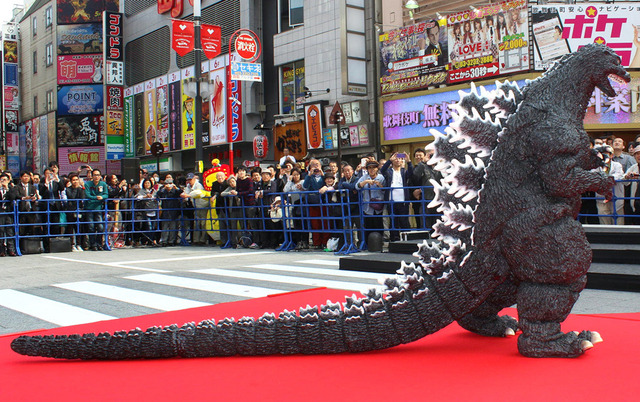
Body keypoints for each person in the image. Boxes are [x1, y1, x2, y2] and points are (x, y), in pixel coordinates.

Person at [380, 152, 413, 242]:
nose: (398, 160)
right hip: (391, 200)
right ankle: (394, 240)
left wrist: (409, 161)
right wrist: (390, 160)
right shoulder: (389, 171)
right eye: (396, 158)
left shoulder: (404, 171)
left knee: (404, 221)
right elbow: (382, 170)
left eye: (400, 158)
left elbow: (411, 173)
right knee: (393, 222)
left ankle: (407, 240)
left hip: (403, 201)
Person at [411, 147, 441, 229]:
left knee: (438, 223)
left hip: (438, 199)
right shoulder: (424, 167)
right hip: (426, 199)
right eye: (431, 155)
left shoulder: (441, 167)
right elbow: (415, 175)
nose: (432, 157)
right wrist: (424, 161)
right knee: (425, 223)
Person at [357, 160, 385, 244]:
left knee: (379, 225)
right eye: (369, 168)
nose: (372, 170)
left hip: (378, 206)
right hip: (367, 207)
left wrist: (380, 185)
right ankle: (368, 244)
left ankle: (379, 243)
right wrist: (366, 182)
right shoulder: (364, 177)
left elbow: (385, 190)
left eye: (374, 167)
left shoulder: (381, 177)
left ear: (377, 168)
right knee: (368, 225)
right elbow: (357, 186)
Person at [595, 146, 625, 224]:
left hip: (616, 197)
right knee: (604, 221)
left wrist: (604, 179)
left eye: (607, 154)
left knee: (619, 222)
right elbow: (593, 177)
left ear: (611, 155)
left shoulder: (617, 165)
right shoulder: (596, 167)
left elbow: (618, 175)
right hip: (601, 198)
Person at [303, 159, 327, 249]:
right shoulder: (308, 176)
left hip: (323, 202)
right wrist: (309, 175)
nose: (316, 167)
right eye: (314, 165)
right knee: (315, 223)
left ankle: (325, 242)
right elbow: (305, 186)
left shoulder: (323, 175)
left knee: (325, 222)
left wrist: (322, 174)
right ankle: (316, 243)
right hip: (312, 202)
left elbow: (329, 182)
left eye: (317, 164)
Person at [181, 173, 209, 245]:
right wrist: (185, 195)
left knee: (203, 223)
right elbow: (185, 193)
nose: (189, 181)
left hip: (203, 205)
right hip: (196, 206)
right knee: (196, 223)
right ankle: (196, 240)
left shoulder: (198, 185)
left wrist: (188, 195)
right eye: (188, 180)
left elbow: (197, 193)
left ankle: (203, 240)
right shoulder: (188, 186)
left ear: (194, 179)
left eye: (191, 179)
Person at [83, 169, 108, 250]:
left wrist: (102, 197)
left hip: (98, 208)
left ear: (100, 176)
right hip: (89, 208)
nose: (96, 177)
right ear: (92, 176)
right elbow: (87, 195)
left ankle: (99, 244)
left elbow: (106, 194)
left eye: (98, 175)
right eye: (95, 175)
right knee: (91, 227)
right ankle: (93, 244)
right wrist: (96, 198)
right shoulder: (88, 184)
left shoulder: (103, 184)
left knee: (100, 227)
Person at [235, 166, 259, 249]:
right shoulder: (238, 181)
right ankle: (244, 241)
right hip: (242, 204)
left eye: (242, 171)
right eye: (239, 171)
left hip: (250, 203)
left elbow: (250, 190)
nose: (241, 172)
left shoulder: (249, 180)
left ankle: (255, 241)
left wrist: (239, 193)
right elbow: (237, 190)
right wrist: (237, 193)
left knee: (252, 223)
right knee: (243, 223)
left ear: (245, 172)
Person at [10, 171, 39, 237]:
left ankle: (30, 244)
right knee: (21, 229)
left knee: (31, 228)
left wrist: (34, 198)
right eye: (24, 176)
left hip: (31, 209)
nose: (26, 178)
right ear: (21, 178)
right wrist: (24, 198)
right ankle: (21, 245)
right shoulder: (17, 187)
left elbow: (36, 195)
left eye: (28, 176)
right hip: (21, 210)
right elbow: (16, 196)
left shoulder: (32, 187)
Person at [283, 167, 306, 249]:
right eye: (294, 175)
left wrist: (302, 189)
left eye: (297, 175)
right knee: (296, 224)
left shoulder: (303, 182)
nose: (296, 176)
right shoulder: (291, 183)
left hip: (302, 205)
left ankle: (304, 241)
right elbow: (285, 190)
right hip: (294, 205)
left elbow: (306, 191)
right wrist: (289, 180)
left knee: (303, 223)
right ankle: (298, 241)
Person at [156, 174, 182, 246]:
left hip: (174, 210)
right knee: (165, 227)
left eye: (170, 183)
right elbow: (157, 194)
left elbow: (181, 193)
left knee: (173, 227)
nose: (168, 185)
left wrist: (176, 188)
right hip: (165, 210)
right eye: (167, 183)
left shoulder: (175, 190)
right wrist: (164, 188)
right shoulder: (163, 190)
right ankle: (164, 241)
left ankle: (172, 241)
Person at [135, 178, 159, 246]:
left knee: (153, 227)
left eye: (148, 183)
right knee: (149, 226)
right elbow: (137, 197)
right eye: (146, 183)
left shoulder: (154, 191)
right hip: (146, 211)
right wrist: (145, 196)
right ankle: (149, 240)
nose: (147, 184)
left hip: (154, 210)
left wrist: (154, 198)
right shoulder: (141, 191)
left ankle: (151, 240)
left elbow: (158, 198)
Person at [65, 173, 85, 251]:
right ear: (70, 181)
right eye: (73, 180)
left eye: (76, 180)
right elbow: (71, 197)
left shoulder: (81, 189)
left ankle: (79, 244)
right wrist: (75, 189)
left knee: (79, 228)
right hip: (70, 210)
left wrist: (79, 188)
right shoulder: (68, 189)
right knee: (70, 228)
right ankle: (72, 244)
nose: (75, 181)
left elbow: (82, 197)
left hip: (79, 210)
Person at [221, 176, 242, 248]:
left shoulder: (239, 187)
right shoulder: (230, 188)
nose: (232, 183)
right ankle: (234, 242)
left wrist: (237, 193)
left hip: (240, 208)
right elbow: (222, 193)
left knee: (242, 225)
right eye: (230, 182)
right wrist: (229, 193)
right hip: (232, 209)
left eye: (233, 181)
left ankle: (243, 241)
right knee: (233, 226)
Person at [209, 171, 228, 246]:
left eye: (221, 176)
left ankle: (231, 240)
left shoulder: (227, 183)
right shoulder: (215, 184)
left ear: (224, 177)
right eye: (218, 176)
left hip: (227, 206)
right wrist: (215, 194)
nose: (220, 178)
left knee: (228, 224)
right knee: (221, 225)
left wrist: (216, 194)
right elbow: (212, 192)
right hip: (219, 206)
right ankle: (223, 241)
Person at [0, 174, 17, 256]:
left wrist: (6, 188)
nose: (3, 181)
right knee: (1, 231)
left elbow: (12, 198)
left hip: (8, 212)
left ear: (8, 180)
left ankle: (11, 250)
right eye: (2, 180)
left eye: (5, 180)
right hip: (0, 212)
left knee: (9, 230)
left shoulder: (11, 189)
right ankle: (1, 250)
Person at [623, 146, 640, 224]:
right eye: (637, 154)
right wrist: (627, 176)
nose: (639, 156)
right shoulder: (633, 167)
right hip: (636, 202)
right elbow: (623, 181)